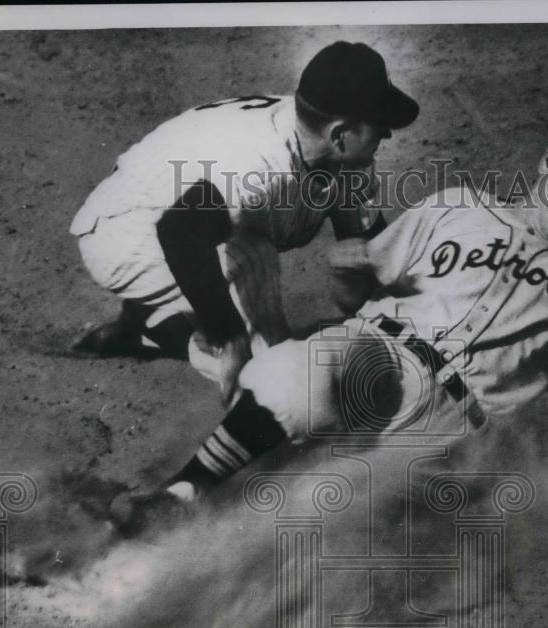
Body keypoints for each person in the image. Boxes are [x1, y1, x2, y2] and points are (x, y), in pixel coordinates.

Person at [109, 124, 548, 535]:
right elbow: (357, 293)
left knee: (325, 517)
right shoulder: (458, 206)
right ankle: (181, 492)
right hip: (381, 353)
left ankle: (173, 569)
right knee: (292, 380)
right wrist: (348, 274)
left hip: (452, 422)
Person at [68, 41, 419, 402]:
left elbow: (372, 267)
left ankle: (147, 326)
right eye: (379, 124)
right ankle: (243, 377)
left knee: (249, 236)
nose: (387, 133)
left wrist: (363, 280)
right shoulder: (256, 166)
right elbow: (179, 232)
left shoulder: (337, 153)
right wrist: (230, 337)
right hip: (122, 229)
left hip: (185, 211)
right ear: (340, 134)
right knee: (254, 268)